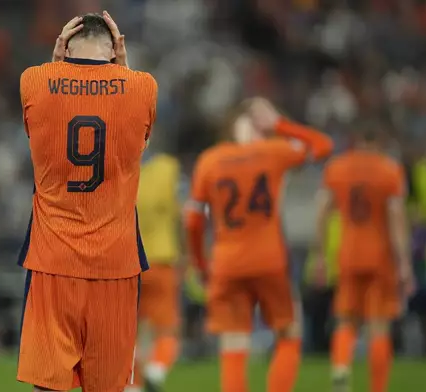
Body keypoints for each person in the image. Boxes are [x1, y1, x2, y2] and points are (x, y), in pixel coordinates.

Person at [17, 11, 158, 392]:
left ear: (65, 45)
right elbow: (139, 144)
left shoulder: (34, 80)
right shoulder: (142, 86)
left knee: (48, 386)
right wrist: (124, 70)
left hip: (53, 262)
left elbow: (37, 125)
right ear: (115, 48)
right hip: (116, 263)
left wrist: (54, 63)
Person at [185, 98, 333, 392]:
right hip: (269, 259)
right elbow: (322, 145)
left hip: (226, 263)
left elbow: (192, 221)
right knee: (289, 334)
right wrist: (280, 124)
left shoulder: (209, 161)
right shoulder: (272, 152)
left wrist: (201, 265)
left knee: (233, 345)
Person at [316, 127, 415, 392]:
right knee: (378, 325)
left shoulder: (337, 168)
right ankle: (377, 388)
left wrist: (320, 255)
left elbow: (322, 211)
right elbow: (395, 217)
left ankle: (340, 376)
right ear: (379, 142)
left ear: (356, 142)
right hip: (380, 257)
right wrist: (404, 262)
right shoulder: (389, 169)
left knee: (346, 320)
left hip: (348, 254)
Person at [127, 149, 182, 392]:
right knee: (167, 328)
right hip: (161, 259)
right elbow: (181, 212)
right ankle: (157, 369)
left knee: (130, 333)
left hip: (130, 262)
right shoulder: (169, 168)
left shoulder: (123, 170)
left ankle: (134, 385)